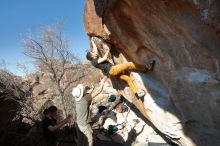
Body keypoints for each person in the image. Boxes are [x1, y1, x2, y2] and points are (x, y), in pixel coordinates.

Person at [86, 37, 155, 98]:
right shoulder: (94, 62)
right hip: (113, 70)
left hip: (112, 73)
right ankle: (147, 68)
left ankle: (137, 93)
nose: (93, 52)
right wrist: (108, 49)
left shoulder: (94, 57)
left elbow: (95, 49)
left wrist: (92, 41)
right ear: (91, 56)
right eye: (92, 53)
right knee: (130, 64)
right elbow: (104, 58)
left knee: (128, 79)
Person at [72, 77, 107, 146]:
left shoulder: (76, 99)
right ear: (82, 93)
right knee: (90, 142)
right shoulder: (85, 100)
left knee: (80, 141)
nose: (84, 89)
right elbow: (99, 91)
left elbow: (87, 94)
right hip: (85, 125)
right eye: (83, 89)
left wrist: (92, 89)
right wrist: (102, 82)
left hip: (78, 124)